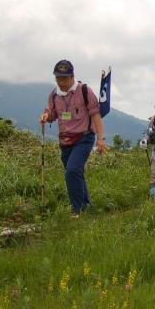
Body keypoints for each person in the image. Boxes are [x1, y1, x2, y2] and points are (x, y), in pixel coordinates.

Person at [39, 60, 106, 217]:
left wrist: (100, 138)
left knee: (72, 171)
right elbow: (53, 114)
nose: (61, 82)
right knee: (76, 173)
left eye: (64, 78)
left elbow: (96, 115)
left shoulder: (84, 91)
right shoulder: (54, 94)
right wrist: (46, 116)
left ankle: (76, 210)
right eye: (58, 78)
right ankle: (86, 206)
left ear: (72, 77)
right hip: (65, 140)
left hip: (84, 138)